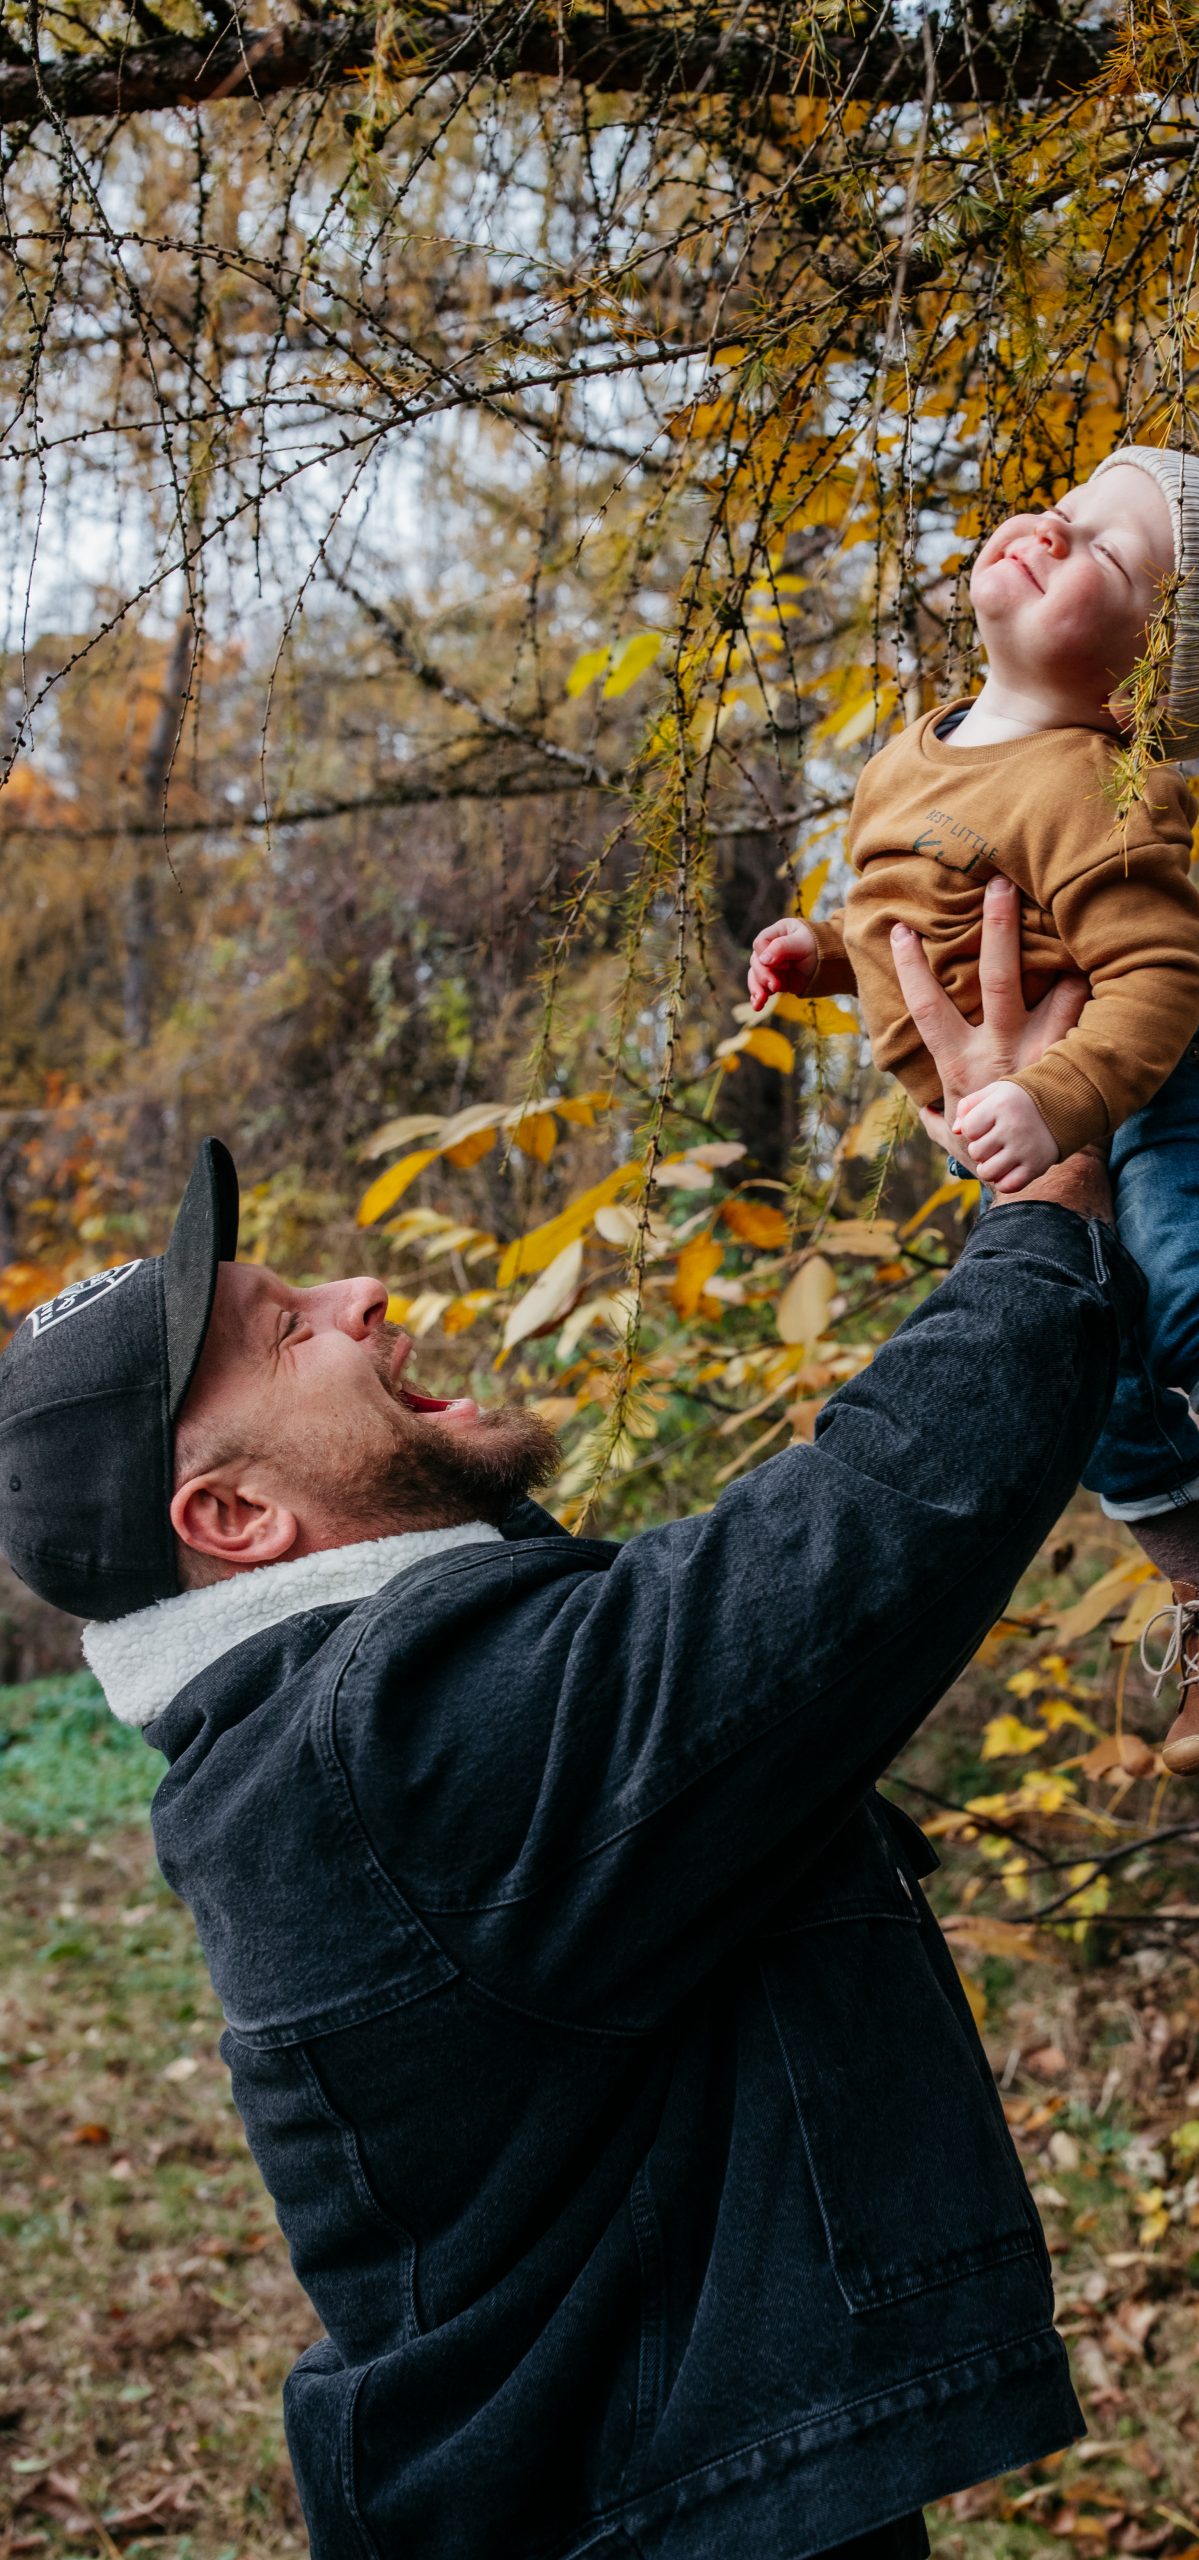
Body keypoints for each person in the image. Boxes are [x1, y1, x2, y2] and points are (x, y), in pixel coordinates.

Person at [0, 888, 1132, 2560]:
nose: (362, 1292)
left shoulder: (334, 1717)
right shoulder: (379, 1750)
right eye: (284, 1330)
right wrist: (1040, 1211)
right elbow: (828, 1565)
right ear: (232, 1522)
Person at [749, 443, 1199, 1773]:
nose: (1052, 534)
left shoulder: (1095, 784)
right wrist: (823, 958)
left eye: (1104, 555)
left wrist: (1056, 1103)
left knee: (1186, 1274)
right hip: (1030, 1119)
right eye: (1061, 514)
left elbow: (1161, 972)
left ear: (1148, 677)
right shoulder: (913, 752)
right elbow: (925, 926)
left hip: (1147, 1093)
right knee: (1084, 1363)